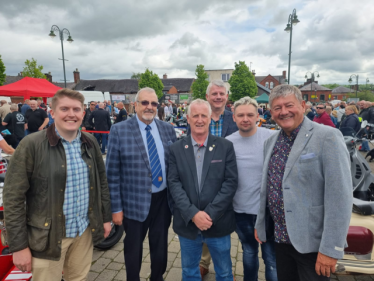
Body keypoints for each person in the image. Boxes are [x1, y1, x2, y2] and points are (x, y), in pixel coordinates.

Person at [3, 89, 112, 281]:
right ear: (52, 113)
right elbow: (13, 198)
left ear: (83, 114)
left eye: (76, 109)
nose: (71, 114)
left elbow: (101, 182)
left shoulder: (90, 142)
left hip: (83, 232)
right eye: (64, 108)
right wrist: (18, 246)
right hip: (48, 238)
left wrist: (105, 218)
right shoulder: (32, 144)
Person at [255, 85, 352, 281]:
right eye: (277, 108)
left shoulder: (328, 136)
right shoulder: (271, 141)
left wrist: (331, 249)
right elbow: (268, 188)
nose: (284, 112)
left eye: (289, 105)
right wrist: (260, 224)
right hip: (280, 238)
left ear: (302, 105)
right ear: (271, 112)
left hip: (312, 244)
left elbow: (340, 197)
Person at [106, 87, 177, 281]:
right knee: (133, 248)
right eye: (145, 103)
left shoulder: (167, 129)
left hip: (162, 200)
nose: (149, 107)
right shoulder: (119, 130)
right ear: (135, 105)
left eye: (154, 103)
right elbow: (112, 173)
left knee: (161, 246)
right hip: (133, 202)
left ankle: (157, 277)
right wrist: (116, 208)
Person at [168, 99, 238, 281]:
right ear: (188, 118)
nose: (199, 120)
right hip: (188, 225)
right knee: (190, 272)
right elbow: (174, 183)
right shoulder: (175, 149)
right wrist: (193, 214)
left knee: (224, 272)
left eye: (203, 116)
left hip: (218, 223)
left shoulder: (225, 147)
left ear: (210, 119)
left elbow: (230, 182)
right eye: (195, 116)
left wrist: (209, 214)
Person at [226, 97, 277, 281]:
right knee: (248, 252)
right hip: (241, 210)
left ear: (258, 116)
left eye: (250, 114)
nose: (245, 118)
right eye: (241, 115)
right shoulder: (228, 142)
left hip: (268, 211)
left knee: (271, 257)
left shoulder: (271, 137)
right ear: (234, 117)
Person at [194, 79, 238, 277]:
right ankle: (204, 260)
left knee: (223, 222)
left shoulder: (235, 119)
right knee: (204, 217)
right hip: (204, 179)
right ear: (207, 97)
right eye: (214, 94)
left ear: (227, 97)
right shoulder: (199, 118)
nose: (218, 97)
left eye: (222, 94)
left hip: (229, 177)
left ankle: (222, 263)